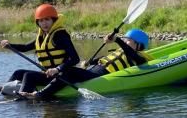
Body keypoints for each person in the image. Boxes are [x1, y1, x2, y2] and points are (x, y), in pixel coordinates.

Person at [20, 28, 151, 99]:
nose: (125, 41)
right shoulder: (119, 51)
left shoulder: (139, 57)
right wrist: (88, 62)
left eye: (128, 40)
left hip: (102, 77)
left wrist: (117, 40)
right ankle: (21, 90)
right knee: (28, 74)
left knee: (69, 70)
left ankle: (39, 95)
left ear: (139, 45)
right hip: (91, 72)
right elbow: (102, 59)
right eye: (125, 39)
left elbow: (133, 56)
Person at [0, 3, 81, 94]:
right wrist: (10, 45)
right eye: (41, 21)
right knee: (18, 73)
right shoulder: (42, 37)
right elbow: (25, 47)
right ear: (38, 22)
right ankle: (4, 90)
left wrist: (57, 69)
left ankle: (25, 96)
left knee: (29, 76)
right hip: (48, 74)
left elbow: (75, 59)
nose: (44, 23)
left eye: (47, 19)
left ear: (53, 20)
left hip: (63, 74)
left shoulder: (60, 35)